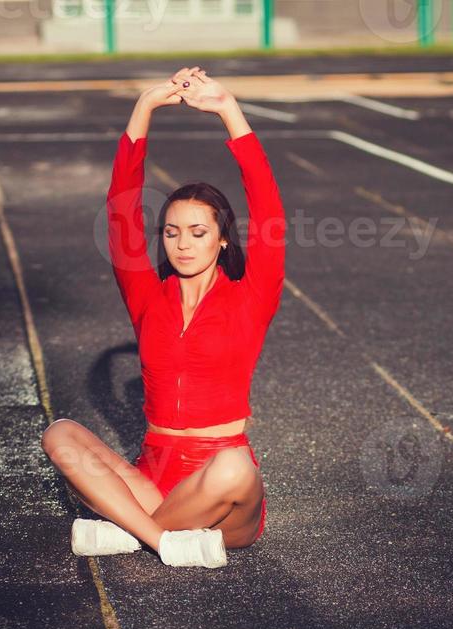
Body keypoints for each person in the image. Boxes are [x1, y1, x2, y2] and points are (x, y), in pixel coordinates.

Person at [42, 66, 286, 568]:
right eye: (172, 232)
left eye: (198, 232)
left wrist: (228, 110)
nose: (183, 244)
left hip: (219, 490)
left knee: (235, 467)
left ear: (222, 239)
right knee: (60, 435)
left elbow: (267, 207)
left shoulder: (251, 296)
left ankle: (129, 531)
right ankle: (162, 541)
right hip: (152, 475)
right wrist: (144, 108)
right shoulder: (148, 297)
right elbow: (120, 213)